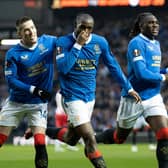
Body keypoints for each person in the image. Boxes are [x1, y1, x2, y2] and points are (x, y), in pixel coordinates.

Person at [43, 13, 141, 168]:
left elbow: (113, 65)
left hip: (89, 97)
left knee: (71, 139)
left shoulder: (99, 42)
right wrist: (78, 45)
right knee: (90, 137)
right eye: (83, 27)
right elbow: (64, 69)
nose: (86, 31)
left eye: (89, 28)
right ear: (75, 25)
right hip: (71, 97)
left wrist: (128, 87)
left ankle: (42, 130)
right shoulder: (63, 41)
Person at [94, 12, 168, 168]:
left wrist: (164, 72)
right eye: (150, 23)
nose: (155, 25)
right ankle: (92, 138)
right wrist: (163, 78)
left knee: (164, 133)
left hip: (153, 97)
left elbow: (152, 71)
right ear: (141, 27)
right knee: (119, 138)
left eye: (156, 22)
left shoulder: (156, 44)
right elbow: (141, 74)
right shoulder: (136, 43)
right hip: (134, 98)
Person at [0, 16, 57, 168]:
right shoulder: (13, 53)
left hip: (37, 105)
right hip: (16, 103)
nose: (31, 32)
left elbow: (68, 42)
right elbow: (11, 81)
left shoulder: (48, 41)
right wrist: (35, 90)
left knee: (40, 143)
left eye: (32, 27)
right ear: (20, 34)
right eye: (26, 30)